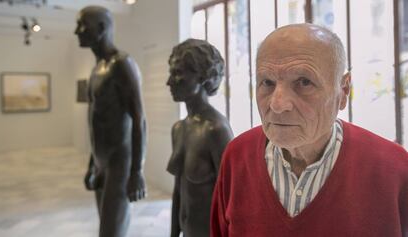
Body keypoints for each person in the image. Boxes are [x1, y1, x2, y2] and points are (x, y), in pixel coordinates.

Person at [210, 23, 408, 237]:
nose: (277, 104)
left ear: (343, 91)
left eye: (304, 82)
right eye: (267, 82)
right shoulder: (237, 156)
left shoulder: (395, 169)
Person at [74, 6, 147, 237]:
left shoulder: (122, 65)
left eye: (82, 25)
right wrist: (92, 163)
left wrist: (136, 171)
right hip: (102, 161)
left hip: (120, 163)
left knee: (111, 231)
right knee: (105, 228)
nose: (77, 31)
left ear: (102, 28)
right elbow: (95, 122)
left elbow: (139, 120)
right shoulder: (97, 69)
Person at [167, 39, 234, 237]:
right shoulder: (179, 128)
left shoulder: (216, 130)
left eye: (178, 73)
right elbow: (179, 190)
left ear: (203, 77)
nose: (169, 82)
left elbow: (232, 197)